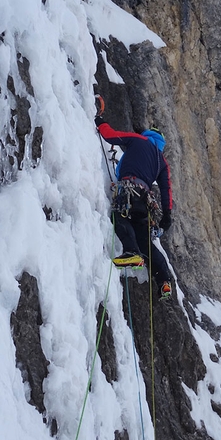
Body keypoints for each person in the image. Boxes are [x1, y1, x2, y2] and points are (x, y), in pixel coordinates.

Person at [94, 97, 173, 299]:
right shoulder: (161, 161)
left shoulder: (138, 140)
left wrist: (100, 122)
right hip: (145, 198)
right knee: (144, 238)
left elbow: (111, 136)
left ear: (148, 135)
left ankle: (131, 253)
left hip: (129, 188)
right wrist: (167, 214)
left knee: (119, 217)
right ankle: (164, 280)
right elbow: (166, 190)